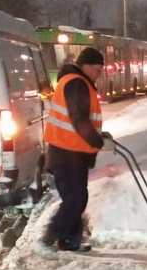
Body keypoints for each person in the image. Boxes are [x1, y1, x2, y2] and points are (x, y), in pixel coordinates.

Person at [33, 46, 116, 257]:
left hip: (70, 153)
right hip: (66, 153)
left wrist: (100, 134)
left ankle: (70, 240)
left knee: (75, 197)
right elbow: (78, 120)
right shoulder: (77, 83)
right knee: (76, 199)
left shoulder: (77, 82)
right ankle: (47, 238)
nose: (100, 72)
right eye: (98, 68)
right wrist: (98, 142)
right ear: (86, 66)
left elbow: (82, 119)